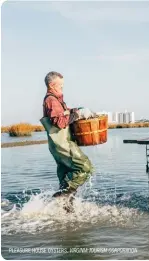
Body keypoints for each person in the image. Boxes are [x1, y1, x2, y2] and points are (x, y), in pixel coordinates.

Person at [40, 71, 95, 202]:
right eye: (60, 85)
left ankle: (65, 208)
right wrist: (78, 115)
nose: (62, 88)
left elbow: (61, 114)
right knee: (85, 168)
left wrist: (75, 110)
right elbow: (60, 122)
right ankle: (60, 196)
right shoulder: (52, 100)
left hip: (56, 146)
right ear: (52, 85)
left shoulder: (54, 100)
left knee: (66, 175)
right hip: (63, 145)